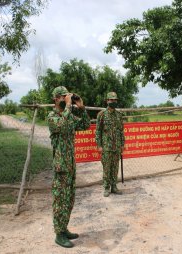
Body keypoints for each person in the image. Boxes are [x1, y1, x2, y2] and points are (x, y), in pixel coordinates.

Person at [47, 86, 90, 248]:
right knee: (60, 201)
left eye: (67, 97)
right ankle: (58, 234)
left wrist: (81, 107)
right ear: (55, 99)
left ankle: (63, 229)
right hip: (61, 166)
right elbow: (63, 126)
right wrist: (68, 107)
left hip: (71, 164)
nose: (66, 100)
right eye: (63, 97)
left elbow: (85, 125)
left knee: (69, 199)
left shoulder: (69, 115)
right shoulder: (52, 117)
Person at [95, 92, 125, 197]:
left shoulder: (119, 115)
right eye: (111, 100)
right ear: (107, 101)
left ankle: (114, 187)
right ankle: (106, 188)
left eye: (115, 100)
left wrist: (122, 144)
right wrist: (99, 145)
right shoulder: (101, 115)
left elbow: (121, 131)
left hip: (116, 146)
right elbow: (98, 131)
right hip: (106, 147)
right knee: (106, 168)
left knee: (115, 167)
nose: (113, 102)